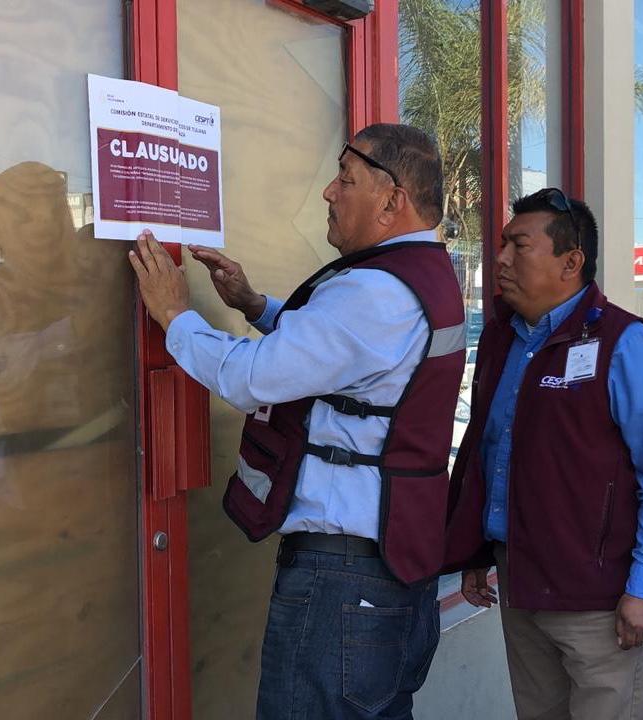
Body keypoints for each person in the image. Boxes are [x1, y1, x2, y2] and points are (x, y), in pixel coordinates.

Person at [128, 123, 466, 719]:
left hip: (343, 582)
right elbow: (350, 355)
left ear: (392, 200)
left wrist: (175, 316)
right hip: (389, 574)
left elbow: (252, 378)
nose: (329, 194)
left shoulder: (374, 292)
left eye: (346, 179)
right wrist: (255, 305)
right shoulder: (421, 277)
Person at [443, 188, 643, 720]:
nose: (502, 259)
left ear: (571, 262)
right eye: (502, 245)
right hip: (520, 584)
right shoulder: (499, 339)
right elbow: (489, 452)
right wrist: (475, 550)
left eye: (519, 245)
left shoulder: (623, 343)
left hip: (601, 602)